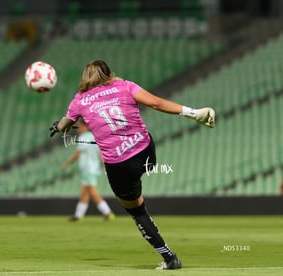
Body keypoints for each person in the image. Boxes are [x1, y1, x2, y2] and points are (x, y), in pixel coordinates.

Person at [49, 60, 215, 270]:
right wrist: (194, 113)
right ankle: (149, 166)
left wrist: (58, 125)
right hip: (145, 152)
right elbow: (156, 103)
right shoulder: (125, 86)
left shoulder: (79, 101)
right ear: (109, 74)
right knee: (143, 139)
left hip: (119, 166)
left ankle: (170, 258)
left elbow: (65, 125)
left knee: (138, 212)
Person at [61, 119, 115, 221]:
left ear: (86, 127)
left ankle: (107, 212)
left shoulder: (84, 138)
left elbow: (78, 153)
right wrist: (105, 165)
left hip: (88, 168)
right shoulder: (94, 137)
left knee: (92, 192)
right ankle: (78, 215)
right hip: (93, 168)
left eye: (80, 127)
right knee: (84, 192)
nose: (78, 129)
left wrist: (67, 163)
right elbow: (101, 154)